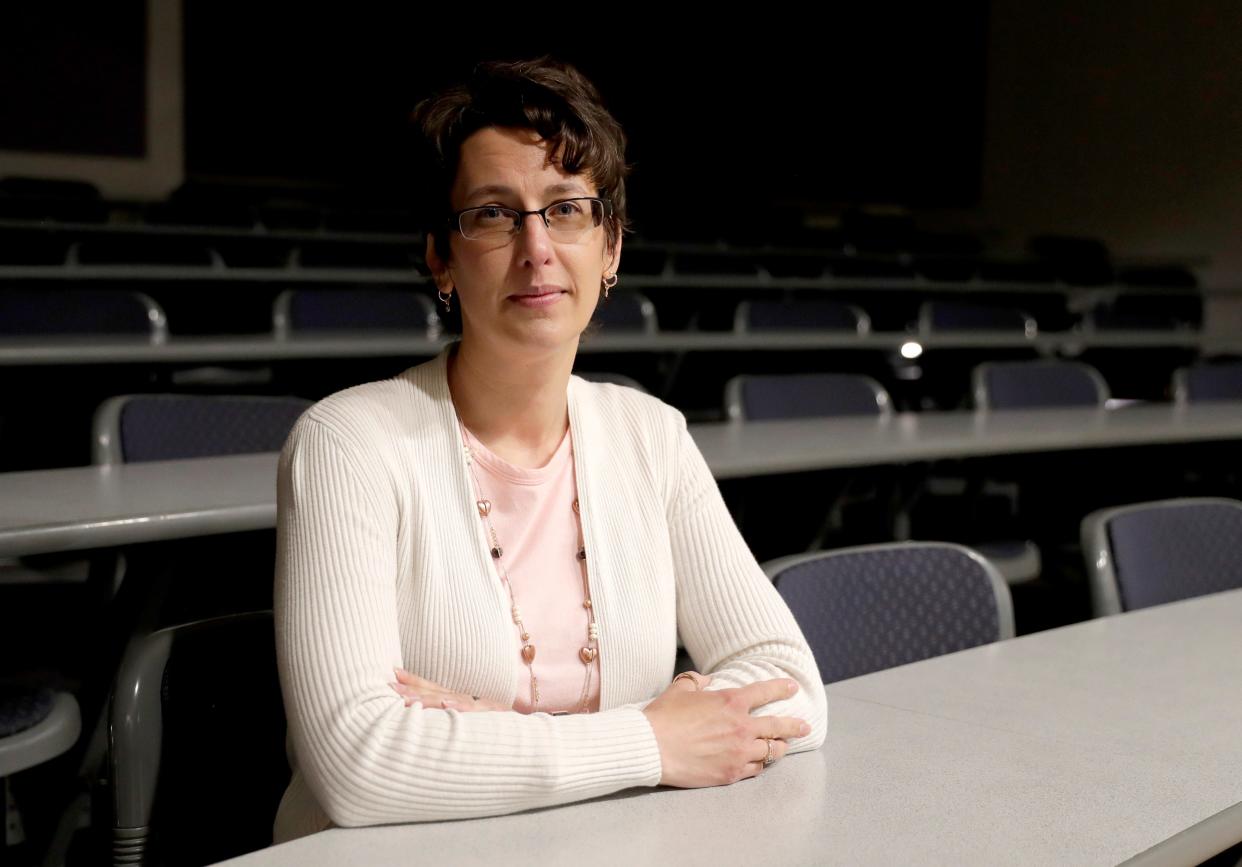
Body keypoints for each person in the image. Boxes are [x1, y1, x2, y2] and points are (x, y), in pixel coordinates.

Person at [272, 56, 827, 843]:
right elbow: (358, 763)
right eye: (495, 214)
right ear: (441, 257)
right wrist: (654, 737)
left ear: (610, 251)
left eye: (566, 209)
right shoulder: (349, 444)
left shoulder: (651, 435)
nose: (536, 247)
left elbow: (794, 688)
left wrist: (494, 732)